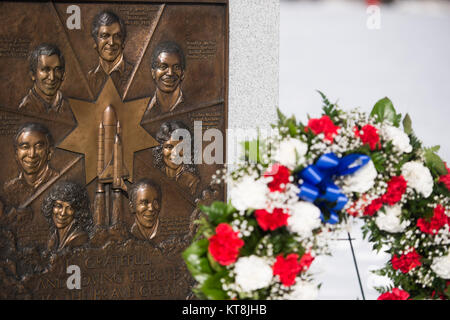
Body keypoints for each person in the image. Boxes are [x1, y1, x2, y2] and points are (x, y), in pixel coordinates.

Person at [3, 123, 58, 208]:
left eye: (39, 146)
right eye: (25, 147)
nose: (32, 154)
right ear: (16, 154)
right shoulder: (9, 189)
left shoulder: (59, 183)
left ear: (49, 152)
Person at [18, 44, 72, 119]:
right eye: (46, 69)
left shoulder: (71, 107)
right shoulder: (24, 109)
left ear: (63, 74)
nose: (52, 77)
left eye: (57, 69)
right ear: (33, 75)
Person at [88, 10, 134, 98]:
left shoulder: (134, 75)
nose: (112, 42)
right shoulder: (89, 78)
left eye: (117, 36)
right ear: (95, 41)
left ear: (123, 42)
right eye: (105, 36)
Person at [152, 121, 200, 195]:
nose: (175, 153)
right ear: (160, 149)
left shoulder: (192, 182)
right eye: (169, 147)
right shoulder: (154, 176)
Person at [42, 181, 91, 251]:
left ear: (77, 211)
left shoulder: (79, 238)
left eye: (69, 208)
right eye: (59, 206)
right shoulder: (53, 238)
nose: (62, 213)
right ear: (50, 207)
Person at [145, 41, 186, 117]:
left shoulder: (194, 106)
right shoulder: (143, 110)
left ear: (182, 74)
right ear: (153, 73)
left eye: (176, 67)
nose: (170, 73)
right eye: (163, 67)